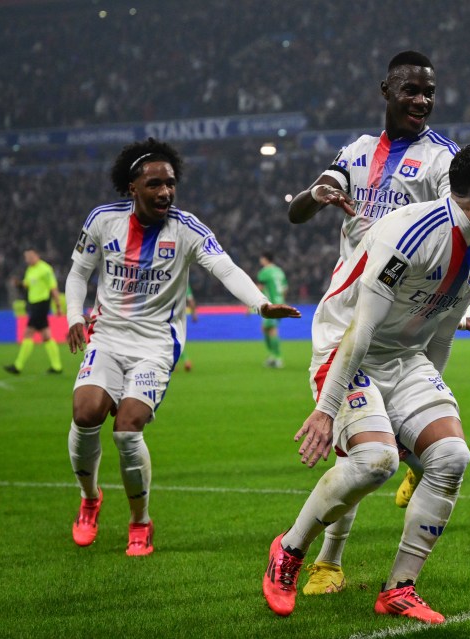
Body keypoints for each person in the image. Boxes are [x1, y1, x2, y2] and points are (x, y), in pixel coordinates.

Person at [263, 143, 470, 624]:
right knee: (376, 461)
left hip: (407, 360)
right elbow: (360, 329)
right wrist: (327, 407)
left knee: (451, 456)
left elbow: (442, 335)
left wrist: (419, 419)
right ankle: (289, 550)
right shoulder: (412, 232)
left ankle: (399, 589)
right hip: (345, 349)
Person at [285, 50, 470, 596]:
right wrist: (316, 194)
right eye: (411, 90)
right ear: (387, 90)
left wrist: (464, 309)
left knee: (385, 449)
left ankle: (341, 551)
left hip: (402, 309)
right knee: (359, 454)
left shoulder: (441, 161)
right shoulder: (357, 153)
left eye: (429, 91)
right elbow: (301, 207)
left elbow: (463, 236)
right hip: (353, 304)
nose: (422, 100)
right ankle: (328, 561)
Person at [65, 138, 300, 556]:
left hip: (156, 343)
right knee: (86, 413)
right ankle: (90, 499)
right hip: (108, 336)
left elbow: (223, 266)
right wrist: (74, 317)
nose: (165, 192)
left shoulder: (188, 228)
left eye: (170, 183)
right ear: (132, 186)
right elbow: (78, 273)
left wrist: (259, 304)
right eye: (154, 184)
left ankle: (140, 523)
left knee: (127, 428)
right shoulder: (103, 220)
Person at [4, 248, 65, 374]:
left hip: (42, 304)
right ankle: (57, 366)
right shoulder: (30, 269)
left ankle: (18, 366)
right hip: (34, 305)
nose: (28, 259)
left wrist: (58, 306)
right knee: (46, 336)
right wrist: (18, 284)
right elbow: (26, 285)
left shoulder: (45, 269)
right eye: (26, 257)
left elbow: (53, 288)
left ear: (36, 255)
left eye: (30, 256)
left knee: (28, 332)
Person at [257, 252, 288, 368]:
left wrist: (249, 305)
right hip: (281, 303)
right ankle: (273, 356)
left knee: (271, 330)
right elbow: (285, 288)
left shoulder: (264, 272)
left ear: (265, 259)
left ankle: (277, 358)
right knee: (266, 328)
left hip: (271, 305)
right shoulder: (279, 271)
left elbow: (259, 288)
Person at [179, 284, 197, 372]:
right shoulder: (185, 284)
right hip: (180, 316)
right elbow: (191, 301)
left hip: (168, 315)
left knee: (168, 338)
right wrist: (194, 314)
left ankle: (171, 363)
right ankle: (186, 361)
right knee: (178, 338)